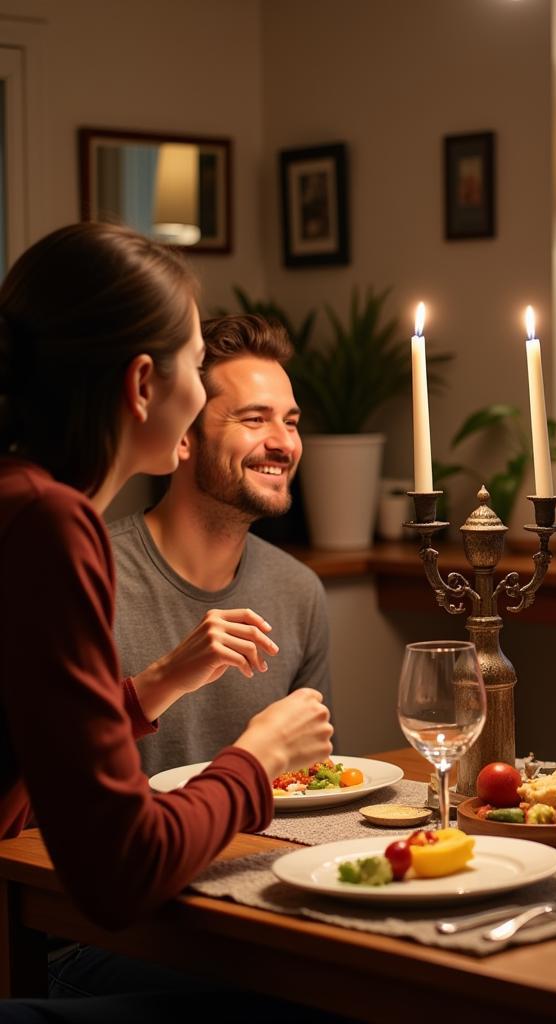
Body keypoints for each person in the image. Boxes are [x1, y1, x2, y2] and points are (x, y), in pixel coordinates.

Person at [0, 223, 335, 1020]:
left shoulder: (20, 498)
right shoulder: (52, 525)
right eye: (193, 364)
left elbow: (23, 762)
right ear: (145, 385)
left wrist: (148, 690)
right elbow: (120, 873)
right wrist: (254, 762)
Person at [110, 313, 332, 776]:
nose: (284, 444)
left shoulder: (298, 591)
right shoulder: (98, 575)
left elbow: (316, 780)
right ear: (184, 437)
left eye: (290, 422)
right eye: (254, 419)